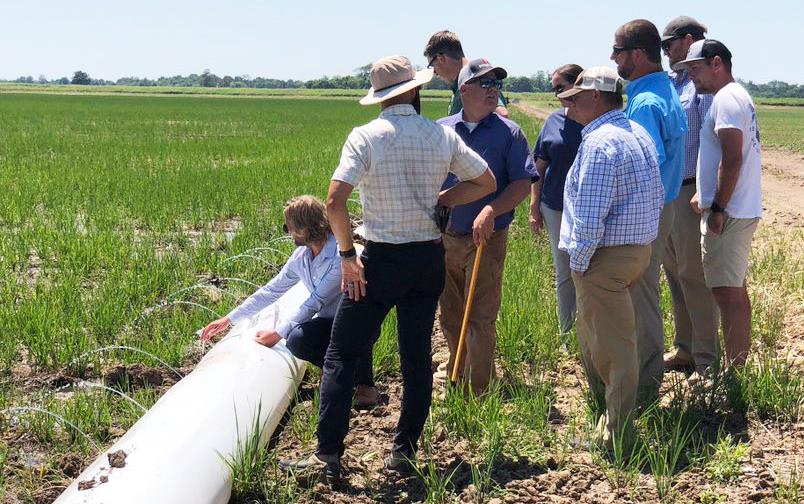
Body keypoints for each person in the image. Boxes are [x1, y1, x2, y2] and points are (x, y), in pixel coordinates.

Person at [279, 55, 495, 482]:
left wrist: (345, 255)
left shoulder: (365, 136)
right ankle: (403, 452)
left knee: (342, 354)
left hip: (380, 261)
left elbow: (335, 201)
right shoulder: (439, 135)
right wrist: (444, 198)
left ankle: (327, 457)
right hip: (427, 259)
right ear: (414, 90)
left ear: (379, 98)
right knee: (416, 357)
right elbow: (486, 182)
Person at [557, 66, 663, 450]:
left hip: (604, 259)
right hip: (637, 252)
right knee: (618, 339)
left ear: (596, 98)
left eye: (575, 97)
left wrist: (580, 263)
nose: (570, 104)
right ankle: (611, 420)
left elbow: (589, 214)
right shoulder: (638, 134)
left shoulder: (601, 143)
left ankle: (618, 437)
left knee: (613, 348)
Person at [200, 195, 381, 408]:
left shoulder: (339, 256)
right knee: (297, 340)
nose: (288, 233)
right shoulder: (301, 257)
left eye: (289, 227)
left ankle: (365, 385)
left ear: (306, 228)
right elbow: (271, 290)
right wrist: (229, 319)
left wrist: (277, 334)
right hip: (328, 322)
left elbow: (315, 301)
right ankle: (340, 374)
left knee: (352, 329)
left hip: (356, 322)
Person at [437, 58, 534, 396]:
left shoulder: (510, 133)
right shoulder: (442, 130)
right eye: (486, 84)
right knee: (450, 314)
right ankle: (456, 371)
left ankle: (479, 389)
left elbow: (522, 182)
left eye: (497, 84)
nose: (494, 91)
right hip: (445, 238)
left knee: (480, 316)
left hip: (487, 238)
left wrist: (492, 209)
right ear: (464, 89)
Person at [611, 19, 687, 405]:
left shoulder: (644, 102)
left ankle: (643, 385)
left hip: (647, 211)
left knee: (640, 295)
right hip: (665, 205)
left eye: (618, 52)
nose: (613, 59)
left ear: (638, 55)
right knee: (645, 291)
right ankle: (645, 374)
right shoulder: (664, 90)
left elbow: (644, 163)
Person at [674, 39, 762, 367]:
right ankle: (735, 365)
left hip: (731, 211)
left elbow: (732, 158)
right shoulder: (731, 97)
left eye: (695, 68)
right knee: (732, 289)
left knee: (727, 293)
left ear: (716, 63)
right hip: (736, 207)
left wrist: (719, 208)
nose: (692, 77)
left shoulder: (726, 99)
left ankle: (734, 369)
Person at [660, 16, 719, 374]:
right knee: (674, 273)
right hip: (667, 191)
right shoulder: (671, 83)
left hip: (689, 191)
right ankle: (684, 347)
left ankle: (707, 358)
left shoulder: (703, 85)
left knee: (694, 276)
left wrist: (706, 191)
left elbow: (714, 142)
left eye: (669, 45)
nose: (666, 52)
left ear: (688, 40)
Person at [529, 64, 585, 338]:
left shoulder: (594, 121)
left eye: (560, 88)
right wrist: (534, 207)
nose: (557, 95)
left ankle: (589, 330)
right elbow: (538, 167)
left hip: (590, 209)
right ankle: (567, 332)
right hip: (555, 207)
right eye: (555, 90)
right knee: (563, 271)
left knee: (588, 270)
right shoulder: (553, 121)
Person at [423, 30, 509, 117]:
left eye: (432, 65)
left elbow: (502, 114)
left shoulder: (475, 80)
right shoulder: (464, 82)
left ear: (441, 59)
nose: (434, 72)